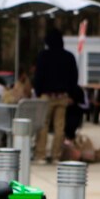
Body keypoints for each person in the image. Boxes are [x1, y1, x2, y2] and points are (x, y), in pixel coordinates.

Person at [33, 27, 79, 163]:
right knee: (60, 127)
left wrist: (38, 91)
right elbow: (74, 78)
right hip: (62, 96)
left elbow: (38, 76)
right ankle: (56, 156)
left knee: (43, 125)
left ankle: (40, 154)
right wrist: (71, 94)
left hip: (46, 95)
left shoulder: (43, 56)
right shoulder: (69, 57)